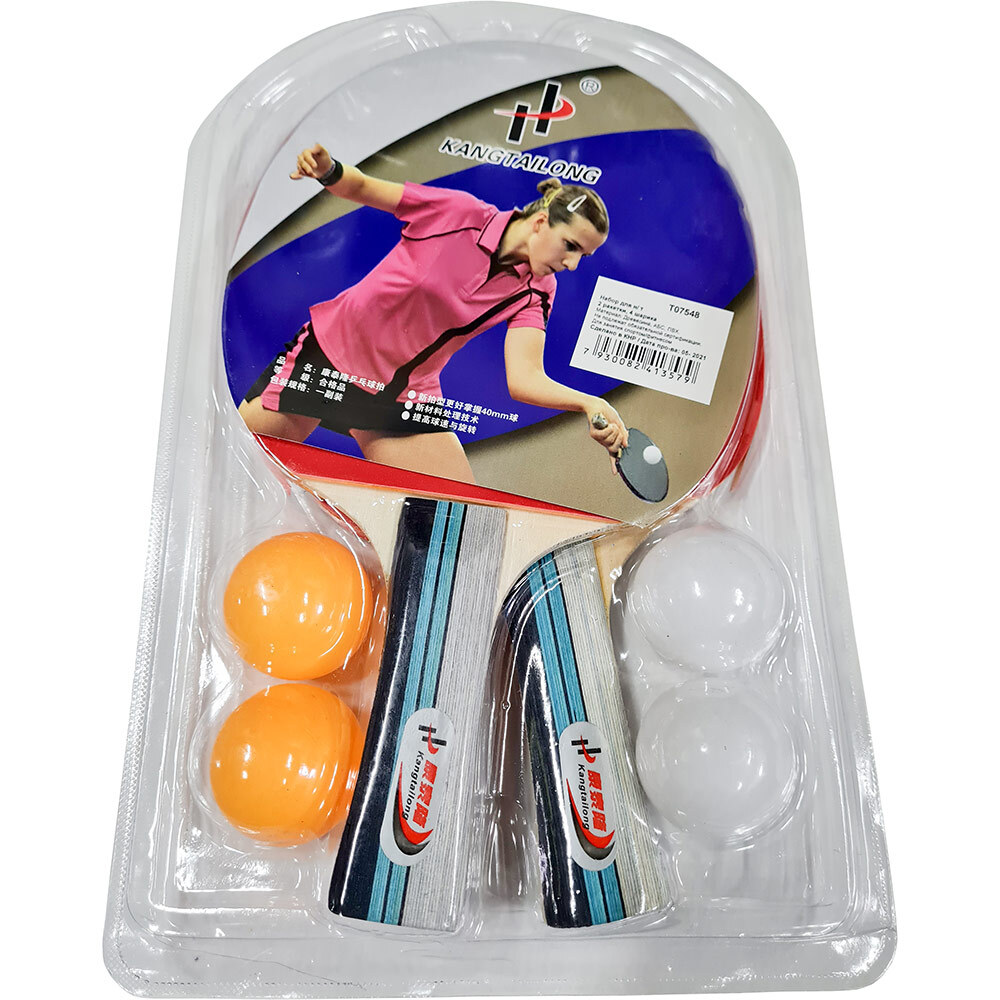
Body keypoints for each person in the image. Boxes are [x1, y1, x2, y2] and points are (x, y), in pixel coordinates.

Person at [239, 143, 628, 484]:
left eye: (583, 255)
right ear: (541, 222)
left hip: (400, 394)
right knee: (239, 462)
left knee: (457, 515)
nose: (572, 264)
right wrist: (328, 170)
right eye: (570, 246)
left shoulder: (539, 287)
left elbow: (524, 378)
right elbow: (363, 187)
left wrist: (591, 403)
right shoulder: (458, 213)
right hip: (328, 357)